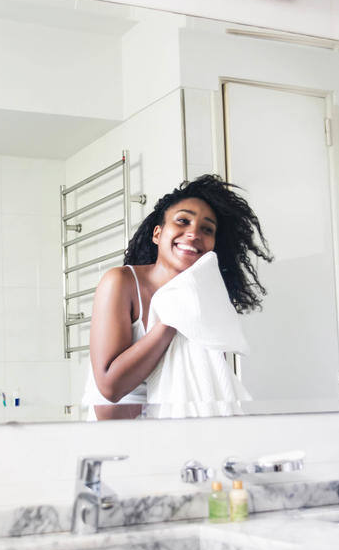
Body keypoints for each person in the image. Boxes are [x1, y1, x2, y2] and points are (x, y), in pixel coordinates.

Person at [82, 174, 272, 420]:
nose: (194, 234)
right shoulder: (121, 283)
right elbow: (110, 387)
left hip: (180, 430)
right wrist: (173, 320)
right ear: (158, 234)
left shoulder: (205, 297)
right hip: (117, 438)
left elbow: (209, 379)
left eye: (207, 229)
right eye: (183, 221)